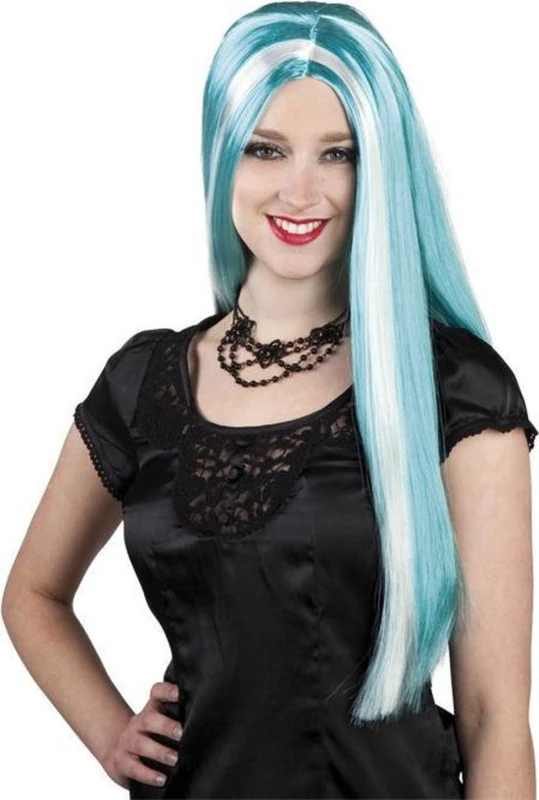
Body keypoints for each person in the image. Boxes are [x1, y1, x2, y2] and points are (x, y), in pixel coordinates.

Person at [2, 2, 537, 798]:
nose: (299, 189)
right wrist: (109, 733)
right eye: (266, 148)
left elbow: (494, 719)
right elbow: (32, 595)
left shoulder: (454, 388)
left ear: (381, 168)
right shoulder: (141, 383)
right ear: (222, 152)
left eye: (338, 154)